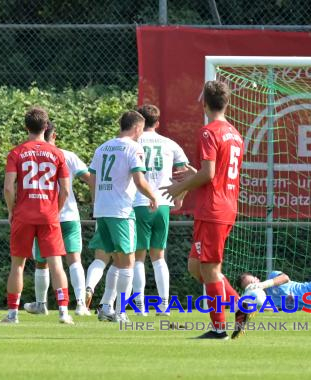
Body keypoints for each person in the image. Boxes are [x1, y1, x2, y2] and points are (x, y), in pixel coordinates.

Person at [162, 80, 243, 340]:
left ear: (204, 103)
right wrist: (195, 175)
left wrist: (181, 187)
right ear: (227, 103)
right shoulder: (235, 134)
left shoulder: (208, 132)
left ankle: (219, 328)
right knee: (196, 267)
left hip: (213, 209)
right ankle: (241, 305)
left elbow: (209, 174)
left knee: (209, 269)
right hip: (226, 204)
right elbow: (215, 175)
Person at [1, 107, 73, 324]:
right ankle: (63, 312)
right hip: (48, 215)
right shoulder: (57, 153)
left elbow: (8, 188)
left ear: (26, 127)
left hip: (23, 214)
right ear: (46, 127)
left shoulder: (17, 152)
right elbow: (66, 190)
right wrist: (56, 210)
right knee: (56, 264)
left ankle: (13, 313)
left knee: (18, 265)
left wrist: (11, 211)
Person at [89, 110, 159, 323]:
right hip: (121, 211)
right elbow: (139, 180)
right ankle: (121, 312)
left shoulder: (102, 147)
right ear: (137, 127)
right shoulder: (134, 147)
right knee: (127, 262)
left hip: (102, 210)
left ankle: (107, 308)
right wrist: (152, 196)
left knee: (117, 261)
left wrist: (96, 202)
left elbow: (92, 178)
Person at [23, 122, 91, 316]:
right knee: (74, 259)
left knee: (42, 262)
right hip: (68, 215)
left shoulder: (30, 154)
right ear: (54, 135)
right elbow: (89, 178)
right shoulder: (67, 155)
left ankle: (41, 304)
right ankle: (80, 305)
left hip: (44, 215)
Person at [132, 104, 189, 316]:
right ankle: (164, 305)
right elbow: (184, 174)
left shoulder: (133, 142)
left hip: (139, 202)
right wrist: (180, 198)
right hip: (163, 203)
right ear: (157, 123)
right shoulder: (169, 144)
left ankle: (139, 306)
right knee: (158, 256)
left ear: (138, 120)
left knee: (139, 256)